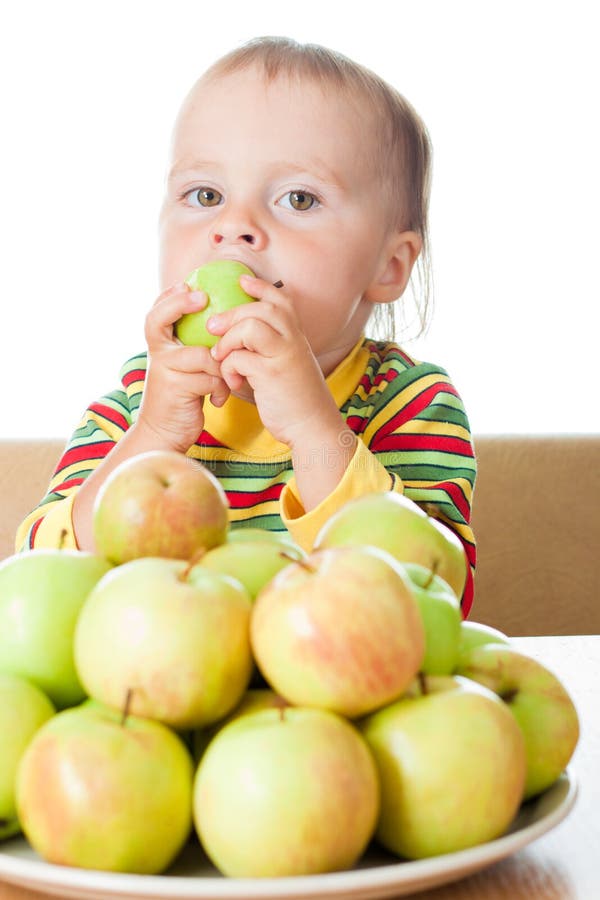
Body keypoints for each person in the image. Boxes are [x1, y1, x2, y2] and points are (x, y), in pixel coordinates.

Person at [16, 36, 477, 613]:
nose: (234, 226)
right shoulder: (139, 401)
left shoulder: (410, 402)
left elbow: (432, 598)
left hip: (331, 694)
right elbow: (46, 578)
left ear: (388, 267)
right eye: (205, 194)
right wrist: (155, 437)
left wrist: (313, 428)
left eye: (299, 199)